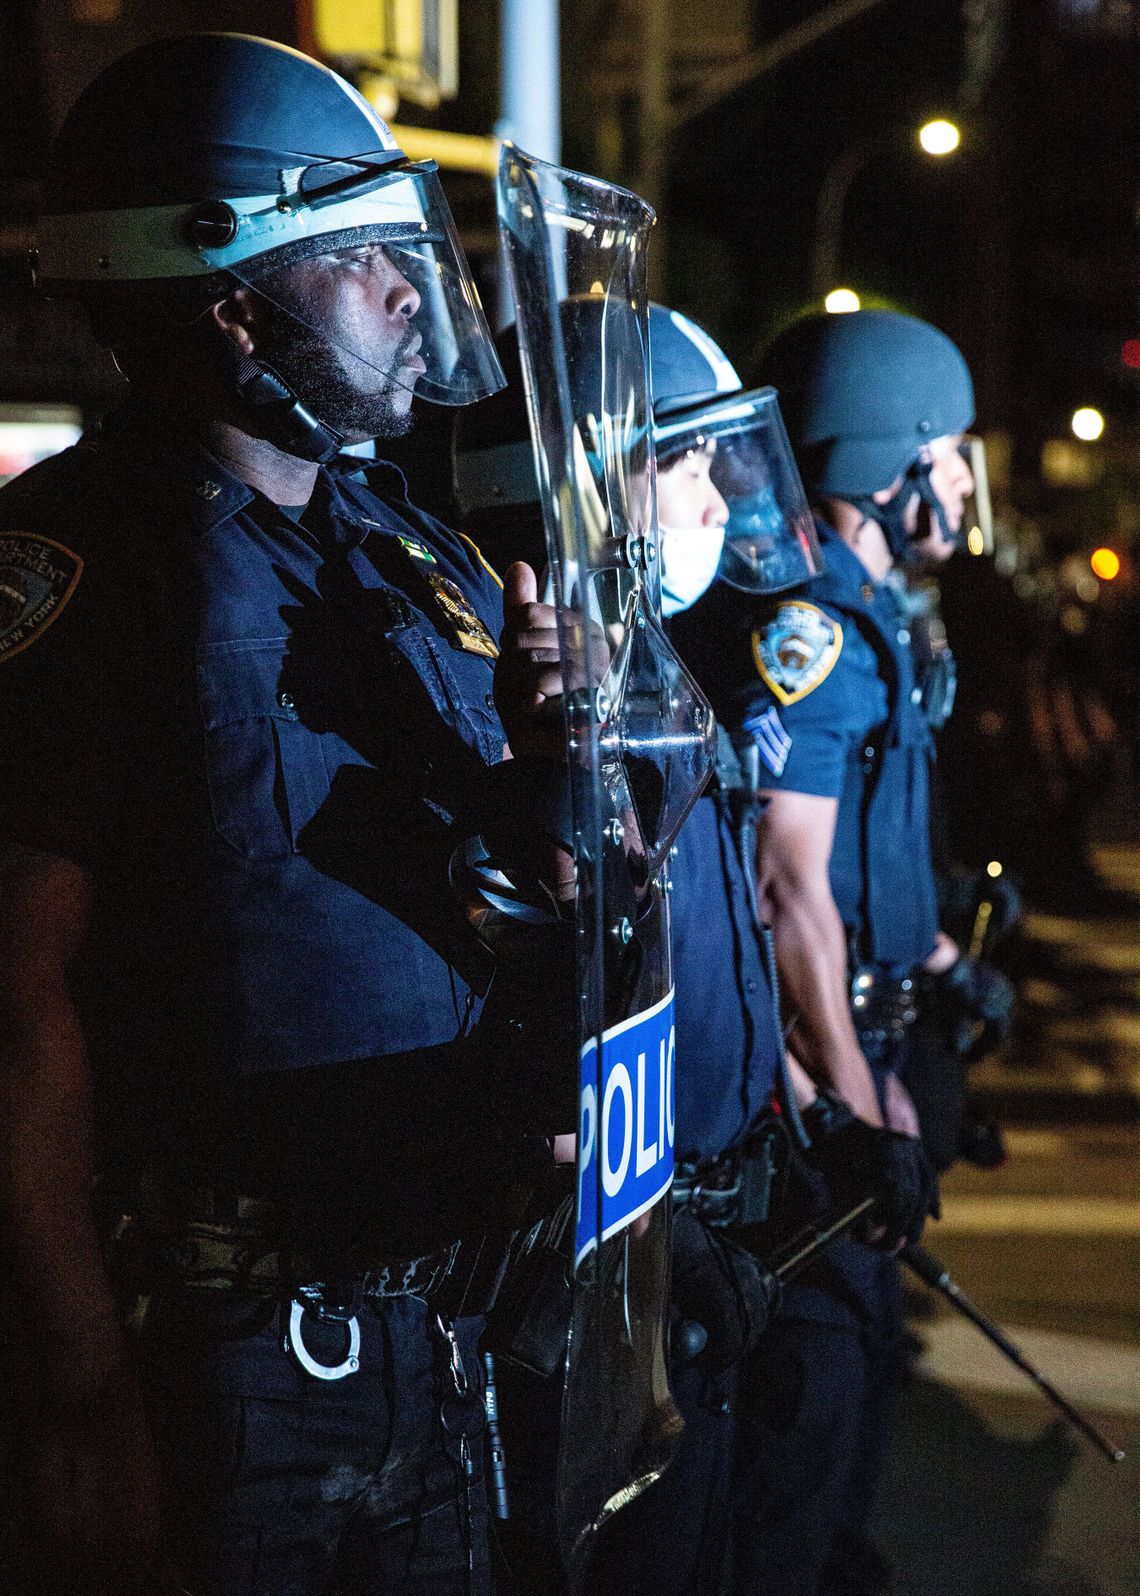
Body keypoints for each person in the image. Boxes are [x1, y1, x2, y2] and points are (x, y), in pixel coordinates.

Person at [0, 33, 571, 1596]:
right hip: (217, 1350)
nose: (409, 294)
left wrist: (558, 760)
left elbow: (538, 881)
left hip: (446, 1315)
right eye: (362, 261)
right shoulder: (79, 569)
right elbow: (13, 1002)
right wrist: (79, 1386)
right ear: (235, 301)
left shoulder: (421, 562)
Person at [454, 302, 938, 1596]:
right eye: (682, 459)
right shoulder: (522, 718)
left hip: (718, 1230)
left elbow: (725, 958)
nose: (721, 491)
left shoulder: (668, 683)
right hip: (609, 1296)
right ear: (576, 486)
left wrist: (792, 1133)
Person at [672, 307, 967, 1596]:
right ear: (889, 464)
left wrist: (947, 968)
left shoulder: (866, 614)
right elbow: (789, 887)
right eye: (949, 452)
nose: (965, 484)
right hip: (815, 1078)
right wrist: (852, 1105)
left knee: (846, 1405)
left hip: (868, 1034)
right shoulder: (816, 632)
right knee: (813, 1395)